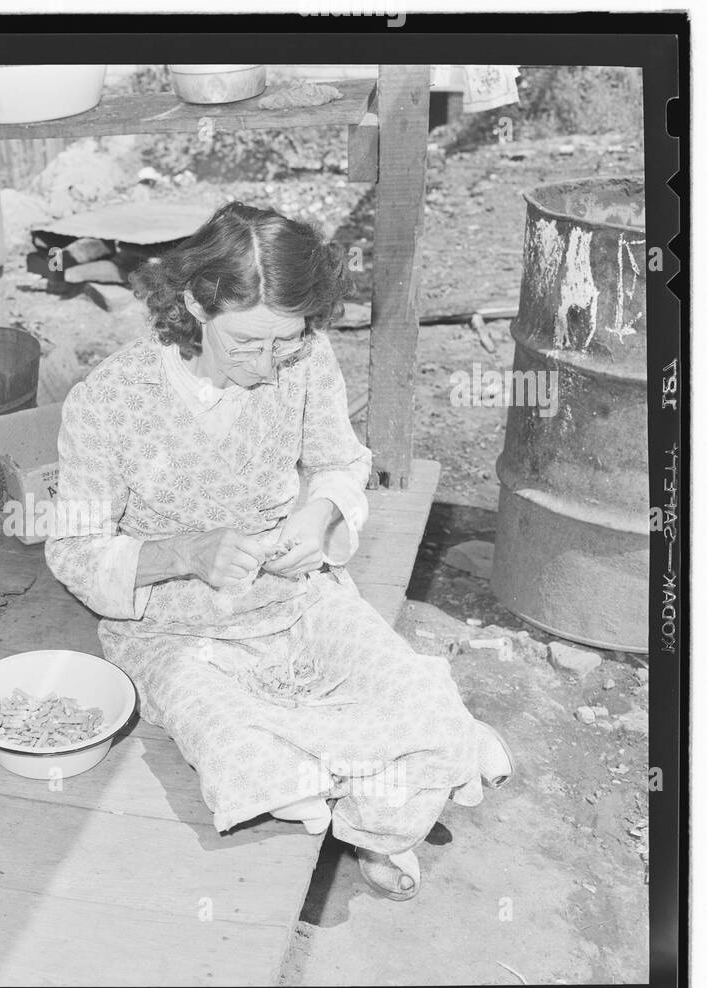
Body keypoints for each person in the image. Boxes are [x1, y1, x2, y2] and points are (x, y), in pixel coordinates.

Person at [44, 202, 512, 901]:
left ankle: (383, 800)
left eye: (284, 343)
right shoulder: (107, 402)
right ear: (198, 304)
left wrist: (318, 516)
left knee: (415, 693)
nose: (268, 367)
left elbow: (339, 462)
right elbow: (74, 549)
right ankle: (398, 787)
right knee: (237, 750)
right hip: (176, 629)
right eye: (247, 344)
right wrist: (183, 552)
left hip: (295, 600)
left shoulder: (306, 360)